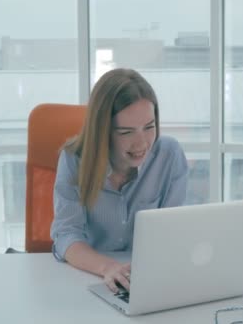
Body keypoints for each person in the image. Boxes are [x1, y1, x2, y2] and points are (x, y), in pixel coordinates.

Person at [50, 68, 188, 293]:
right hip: (88, 277)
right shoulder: (74, 159)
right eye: (126, 132)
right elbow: (66, 234)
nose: (141, 143)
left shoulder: (169, 155)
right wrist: (108, 267)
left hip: (146, 280)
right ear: (102, 131)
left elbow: (172, 232)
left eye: (149, 127)